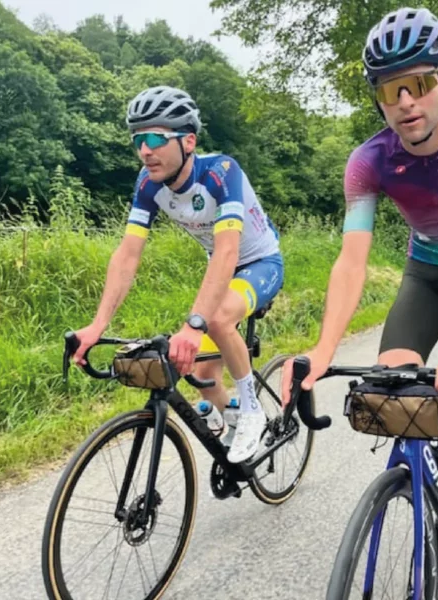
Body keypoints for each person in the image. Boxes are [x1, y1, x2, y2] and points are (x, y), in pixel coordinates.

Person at [282, 7, 438, 600]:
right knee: (392, 388)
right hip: (427, 273)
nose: (405, 101)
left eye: (417, 83)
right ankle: (431, 475)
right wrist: (322, 349)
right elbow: (351, 261)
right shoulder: (369, 161)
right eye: (390, 90)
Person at [73, 85, 284, 464]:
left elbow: (227, 249)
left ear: (188, 140)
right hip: (220, 267)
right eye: (138, 139)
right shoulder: (147, 184)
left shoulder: (221, 172)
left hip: (259, 263)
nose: (145, 150)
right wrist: (97, 325)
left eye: (155, 137)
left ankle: (253, 411)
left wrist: (194, 324)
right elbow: (127, 256)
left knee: (215, 320)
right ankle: (233, 416)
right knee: (204, 378)